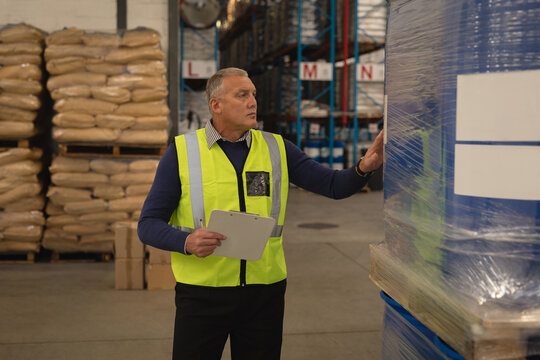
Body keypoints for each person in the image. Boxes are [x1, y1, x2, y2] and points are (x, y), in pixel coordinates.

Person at [138, 67, 384, 360]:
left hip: (263, 295)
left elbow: (333, 185)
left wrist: (364, 168)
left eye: (253, 94)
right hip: (203, 295)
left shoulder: (277, 148)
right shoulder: (182, 152)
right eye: (242, 95)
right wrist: (186, 242)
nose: (252, 101)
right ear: (216, 105)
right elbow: (148, 224)